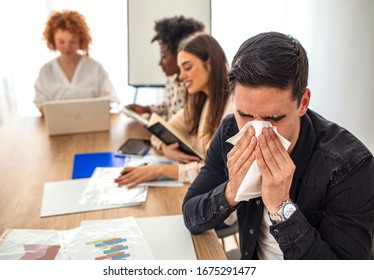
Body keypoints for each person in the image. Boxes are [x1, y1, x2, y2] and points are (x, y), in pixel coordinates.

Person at [182, 31, 374, 260]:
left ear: (302, 103)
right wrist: (232, 190)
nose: (256, 130)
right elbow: (190, 214)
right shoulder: (230, 130)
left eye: (273, 118)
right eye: (244, 114)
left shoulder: (350, 166)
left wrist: (281, 207)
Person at [115, 32, 234, 190]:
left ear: (209, 64)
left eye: (187, 67)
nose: (181, 76)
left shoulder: (232, 109)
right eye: (180, 69)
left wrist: (161, 170)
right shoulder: (200, 100)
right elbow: (161, 131)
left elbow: (221, 173)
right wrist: (166, 149)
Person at [34, 10, 118, 116]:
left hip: (92, 124)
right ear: (52, 40)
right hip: (58, 127)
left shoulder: (95, 68)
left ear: (80, 40)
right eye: (61, 42)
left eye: (72, 41)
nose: (67, 47)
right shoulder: (46, 71)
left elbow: (110, 98)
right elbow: (40, 101)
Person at [126, 16, 204, 121]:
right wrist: (146, 109)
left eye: (164, 56)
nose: (160, 63)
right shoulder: (171, 79)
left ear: (180, 54)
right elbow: (168, 106)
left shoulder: (193, 85)